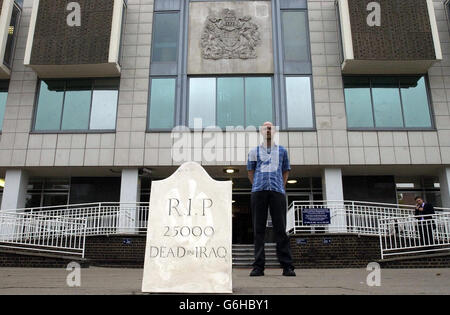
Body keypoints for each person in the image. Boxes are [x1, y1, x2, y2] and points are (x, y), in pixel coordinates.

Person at [247, 122, 295, 277]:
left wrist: (280, 186)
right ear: (261, 131)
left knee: (281, 229)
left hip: (277, 192)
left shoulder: (282, 151)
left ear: (274, 131)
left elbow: (285, 171)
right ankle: (258, 267)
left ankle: (287, 266)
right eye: (265, 128)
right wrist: (257, 186)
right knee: (258, 230)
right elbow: (250, 171)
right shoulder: (254, 152)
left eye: (270, 128)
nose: (268, 130)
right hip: (259, 192)